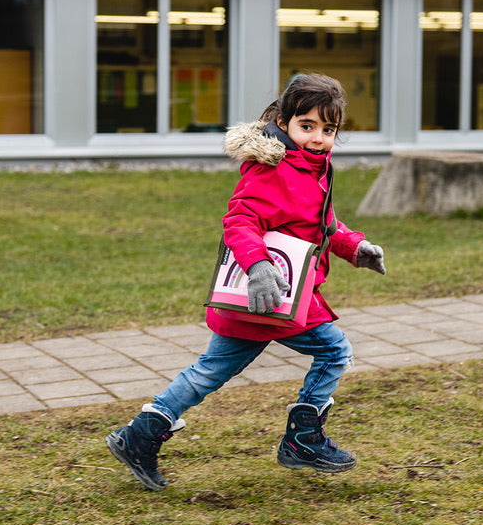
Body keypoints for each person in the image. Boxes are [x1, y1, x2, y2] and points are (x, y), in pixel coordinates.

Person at [106, 73, 387, 491]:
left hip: (285, 296)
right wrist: (257, 267)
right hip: (268, 293)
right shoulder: (273, 169)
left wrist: (354, 247)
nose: (318, 138)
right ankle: (302, 440)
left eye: (329, 130)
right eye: (307, 126)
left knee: (208, 373)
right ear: (285, 121)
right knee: (333, 350)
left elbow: (322, 224)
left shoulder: (315, 169)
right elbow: (240, 219)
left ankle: (139, 436)